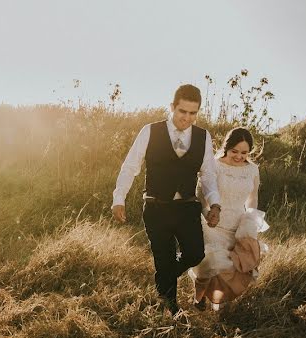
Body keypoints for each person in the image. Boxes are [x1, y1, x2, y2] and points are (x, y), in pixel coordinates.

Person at [111, 84, 221, 315]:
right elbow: (131, 166)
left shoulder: (203, 137)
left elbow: (208, 174)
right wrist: (118, 197)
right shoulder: (150, 131)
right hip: (156, 206)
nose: (187, 118)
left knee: (195, 253)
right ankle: (170, 308)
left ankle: (163, 283)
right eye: (183, 112)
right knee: (164, 256)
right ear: (172, 107)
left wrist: (215, 204)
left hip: (188, 207)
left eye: (193, 113)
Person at [189, 126, 269, 309]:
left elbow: (253, 197)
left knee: (230, 267)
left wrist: (250, 218)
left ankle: (219, 301)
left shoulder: (253, 170)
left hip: (238, 224)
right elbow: (201, 195)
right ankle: (198, 297)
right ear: (227, 147)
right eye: (235, 151)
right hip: (213, 224)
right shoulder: (214, 166)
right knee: (210, 262)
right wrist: (206, 213)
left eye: (245, 152)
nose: (239, 156)